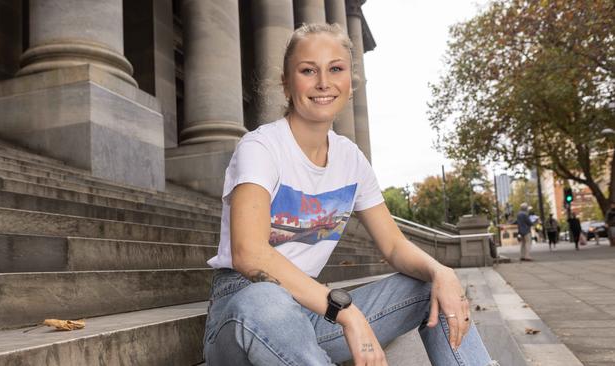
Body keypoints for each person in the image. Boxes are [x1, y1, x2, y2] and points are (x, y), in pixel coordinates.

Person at [202, 23, 497, 366]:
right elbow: (249, 254)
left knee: (430, 286)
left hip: (309, 314)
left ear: (350, 84)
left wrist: (441, 271)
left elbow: (394, 246)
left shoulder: (351, 159)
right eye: (308, 70)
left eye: (336, 69)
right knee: (266, 300)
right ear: (286, 83)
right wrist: (347, 313)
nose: (323, 82)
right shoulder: (261, 147)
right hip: (242, 315)